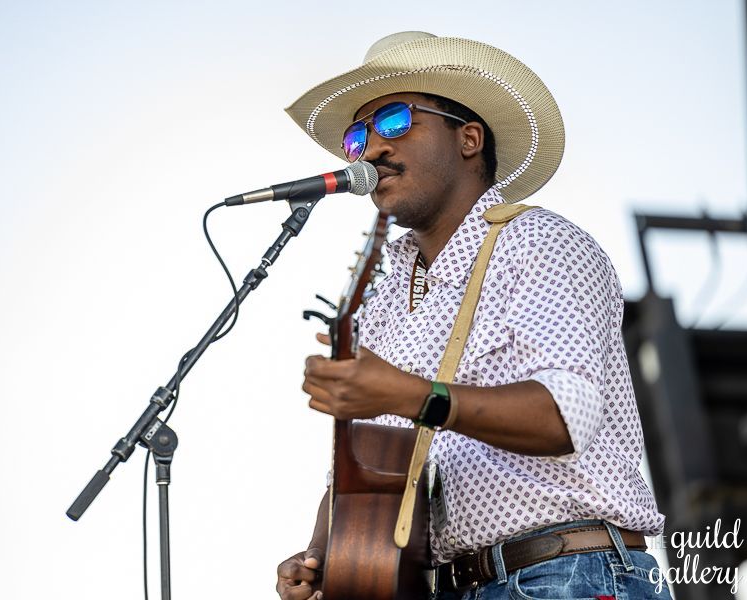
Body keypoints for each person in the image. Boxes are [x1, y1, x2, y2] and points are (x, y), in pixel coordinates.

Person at [275, 32, 671, 600]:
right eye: (356, 137)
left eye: (393, 121)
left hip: (566, 574)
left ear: (468, 138)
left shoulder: (539, 242)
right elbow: (369, 464)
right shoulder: (384, 300)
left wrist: (409, 393)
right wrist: (325, 557)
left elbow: (565, 416)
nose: (371, 149)